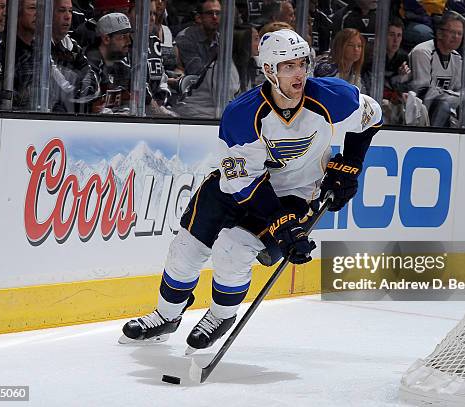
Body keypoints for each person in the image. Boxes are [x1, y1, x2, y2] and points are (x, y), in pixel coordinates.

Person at [119, 29, 383, 352]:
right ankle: (166, 315)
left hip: (296, 193)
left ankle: (220, 316)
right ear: (270, 71)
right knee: (185, 247)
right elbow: (242, 181)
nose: (299, 73)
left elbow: (372, 117)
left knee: (233, 250)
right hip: (239, 187)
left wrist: (350, 166)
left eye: (302, 63)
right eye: (288, 66)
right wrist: (280, 222)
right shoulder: (242, 114)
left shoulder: (333, 98)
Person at [409, 11, 465, 127]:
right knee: (443, 105)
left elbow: (458, 91)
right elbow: (423, 91)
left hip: (443, 110)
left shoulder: (456, 58)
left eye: (459, 33)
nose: (456, 37)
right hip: (416, 111)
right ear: (439, 33)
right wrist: (464, 98)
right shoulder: (422, 52)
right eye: (452, 32)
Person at [50, 0, 99, 113]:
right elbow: (61, 87)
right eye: (62, 11)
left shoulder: (71, 44)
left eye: (70, 11)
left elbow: (90, 76)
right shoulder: (39, 46)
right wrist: (81, 94)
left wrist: (84, 93)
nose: (67, 16)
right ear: (48, 14)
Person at [86, 12, 133, 114]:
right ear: (106, 39)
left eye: (129, 36)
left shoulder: (122, 65)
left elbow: (133, 100)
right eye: (123, 37)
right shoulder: (88, 65)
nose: (129, 42)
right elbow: (94, 108)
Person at [174, 0, 221, 75]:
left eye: (218, 13)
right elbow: (196, 72)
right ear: (198, 18)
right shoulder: (186, 38)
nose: (215, 17)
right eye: (209, 13)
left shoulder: (220, 39)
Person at [314, 28, 368, 92]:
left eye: (359, 46)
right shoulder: (327, 67)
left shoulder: (354, 72)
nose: (356, 49)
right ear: (340, 46)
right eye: (350, 45)